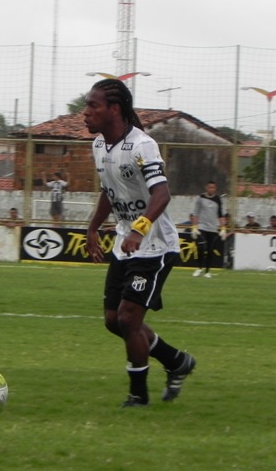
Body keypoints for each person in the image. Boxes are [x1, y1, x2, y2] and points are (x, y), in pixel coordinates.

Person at [83, 78, 196, 408]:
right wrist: (92, 228)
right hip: (124, 243)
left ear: (114, 110)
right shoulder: (99, 146)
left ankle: (138, 396)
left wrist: (139, 229)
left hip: (155, 246)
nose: (85, 113)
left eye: (93, 106)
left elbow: (162, 193)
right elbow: (109, 191)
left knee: (129, 319)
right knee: (112, 321)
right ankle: (176, 360)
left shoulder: (142, 146)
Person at [191, 181, 226, 278]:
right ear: (206, 187)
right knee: (201, 247)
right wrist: (194, 226)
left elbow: (220, 215)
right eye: (209, 187)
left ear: (215, 188)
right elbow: (195, 213)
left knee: (210, 250)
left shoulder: (218, 199)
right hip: (202, 227)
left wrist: (223, 227)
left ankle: (207, 271)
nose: (211, 189)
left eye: (213, 187)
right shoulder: (201, 198)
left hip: (213, 228)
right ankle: (199, 268)